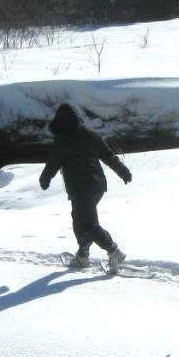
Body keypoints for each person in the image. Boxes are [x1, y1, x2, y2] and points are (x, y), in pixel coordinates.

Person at [40, 103, 132, 268]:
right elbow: (109, 156)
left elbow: (53, 162)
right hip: (97, 186)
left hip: (80, 189)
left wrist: (45, 179)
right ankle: (83, 254)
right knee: (80, 219)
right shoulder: (91, 135)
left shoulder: (62, 140)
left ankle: (113, 251)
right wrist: (123, 171)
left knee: (87, 223)